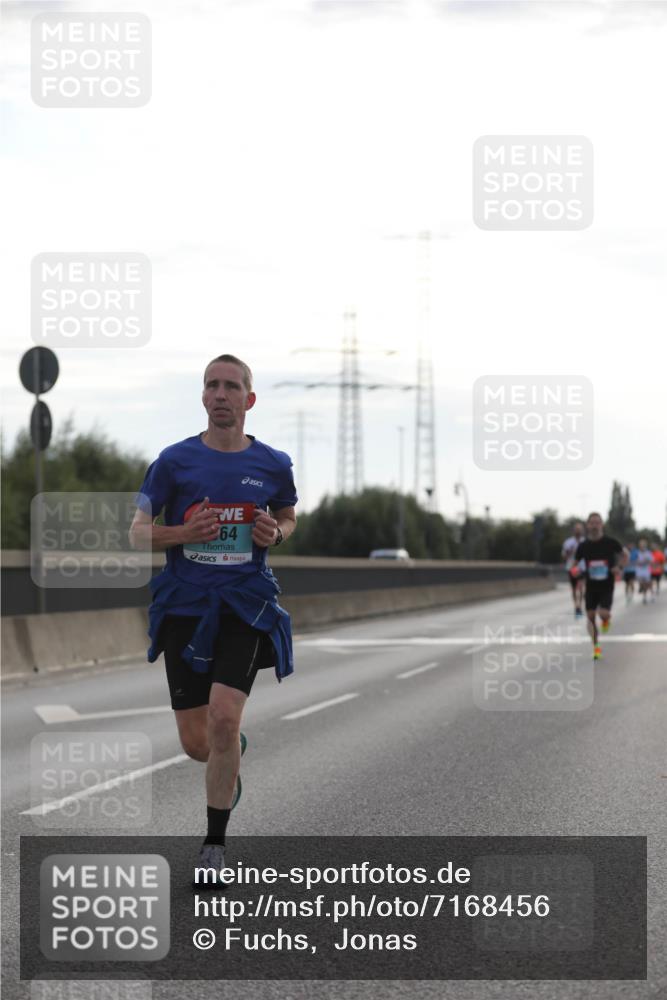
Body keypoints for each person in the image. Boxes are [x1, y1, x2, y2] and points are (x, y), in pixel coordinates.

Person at [129, 354, 298, 875]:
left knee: (224, 717)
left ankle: (215, 846)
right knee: (196, 741)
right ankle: (230, 754)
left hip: (245, 604)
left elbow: (288, 514)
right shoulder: (173, 462)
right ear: (203, 398)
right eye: (211, 386)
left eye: (231, 386)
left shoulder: (273, 463)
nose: (220, 394)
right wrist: (184, 534)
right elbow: (137, 531)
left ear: (249, 399)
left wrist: (277, 531)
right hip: (185, 605)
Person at [574, 512, 628, 660]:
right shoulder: (583, 546)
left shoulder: (610, 542)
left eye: (597, 522)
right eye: (592, 523)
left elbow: (625, 555)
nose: (595, 525)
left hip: (606, 585)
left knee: (603, 613)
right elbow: (575, 563)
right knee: (590, 617)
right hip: (591, 586)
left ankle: (605, 620)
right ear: (587, 525)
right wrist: (576, 572)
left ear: (602, 524)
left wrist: (620, 568)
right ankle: (596, 647)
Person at [561, 521, 586, 616]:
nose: (578, 531)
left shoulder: (585, 542)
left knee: (581, 587)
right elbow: (564, 556)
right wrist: (571, 551)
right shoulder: (568, 542)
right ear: (573, 531)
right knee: (574, 589)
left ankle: (580, 605)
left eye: (580, 529)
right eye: (576, 529)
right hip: (571, 567)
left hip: (582, 568)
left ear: (583, 531)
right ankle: (576, 606)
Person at [635, 539, 653, 604]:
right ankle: (641, 587)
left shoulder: (648, 552)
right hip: (639, 570)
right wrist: (638, 562)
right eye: (641, 545)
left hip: (646, 570)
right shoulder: (637, 552)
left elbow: (651, 561)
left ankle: (644, 597)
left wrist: (646, 561)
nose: (642, 546)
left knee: (646, 584)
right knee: (641, 582)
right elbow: (634, 561)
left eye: (643, 545)